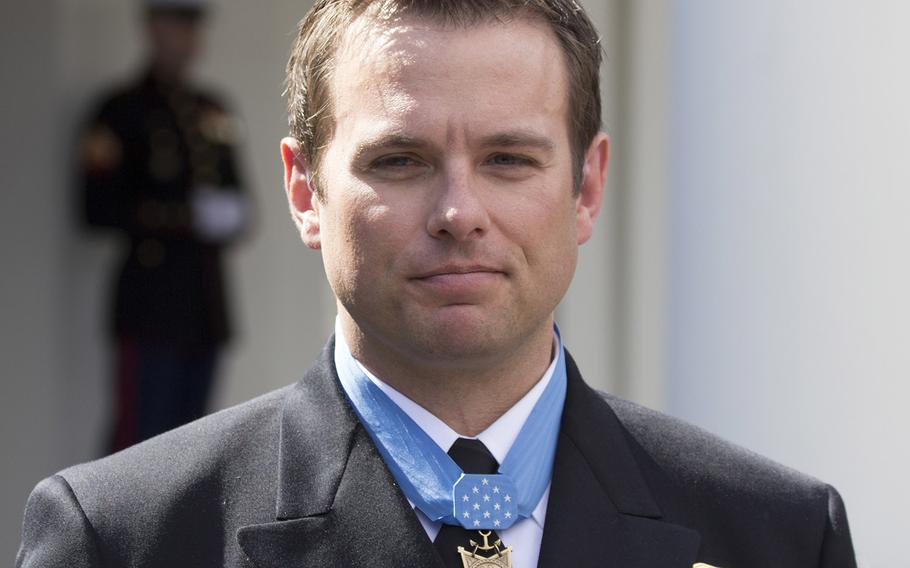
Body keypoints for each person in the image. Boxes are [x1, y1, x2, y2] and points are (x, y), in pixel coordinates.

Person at [18, 1, 855, 566]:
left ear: (587, 188)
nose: (460, 212)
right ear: (305, 193)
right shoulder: (123, 540)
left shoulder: (776, 536)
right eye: (400, 160)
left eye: (508, 159)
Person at [79, 0, 250, 452]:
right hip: (150, 302)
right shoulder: (121, 110)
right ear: (153, 27)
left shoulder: (212, 109)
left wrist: (228, 216)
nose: (186, 37)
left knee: (195, 450)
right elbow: (97, 209)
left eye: (193, 25)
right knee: (138, 444)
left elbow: (238, 203)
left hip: (204, 303)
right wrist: (186, 217)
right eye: (177, 23)